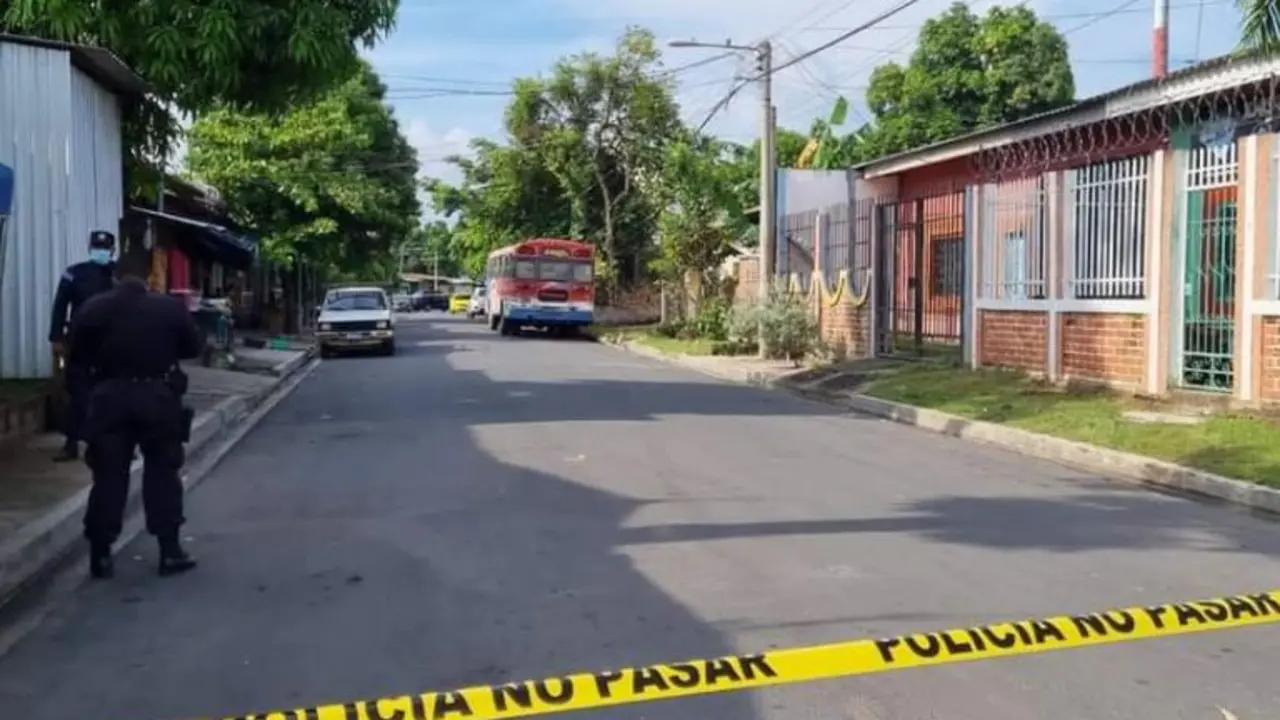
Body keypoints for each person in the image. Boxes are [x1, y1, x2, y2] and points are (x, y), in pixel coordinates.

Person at [67, 267, 203, 579]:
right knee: (162, 473)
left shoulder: (94, 309)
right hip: (157, 396)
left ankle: (100, 555)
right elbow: (192, 347)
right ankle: (169, 551)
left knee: (108, 476)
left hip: (109, 397)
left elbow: (77, 360)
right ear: (146, 285)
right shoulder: (168, 308)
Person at [48, 230, 118, 462]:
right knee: (77, 393)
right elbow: (60, 306)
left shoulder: (117, 276)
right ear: (90, 249)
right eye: (97, 247)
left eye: (105, 248)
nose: (100, 251)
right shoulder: (74, 273)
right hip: (79, 342)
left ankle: (113, 443)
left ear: (112, 251)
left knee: (111, 395)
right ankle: (71, 443)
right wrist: (56, 338)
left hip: (110, 344)